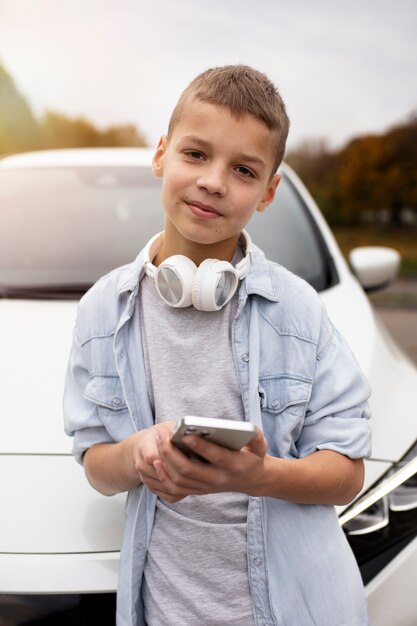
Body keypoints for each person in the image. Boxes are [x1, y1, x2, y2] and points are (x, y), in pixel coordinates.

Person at [64, 65, 372, 626]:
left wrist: (257, 476)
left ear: (268, 192)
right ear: (161, 155)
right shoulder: (101, 312)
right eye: (196, 155)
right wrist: (136, 454)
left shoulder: (300, 311)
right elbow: (95, 464)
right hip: (163, 610)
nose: (213, 181)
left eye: (244, 169)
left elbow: (348, 472)